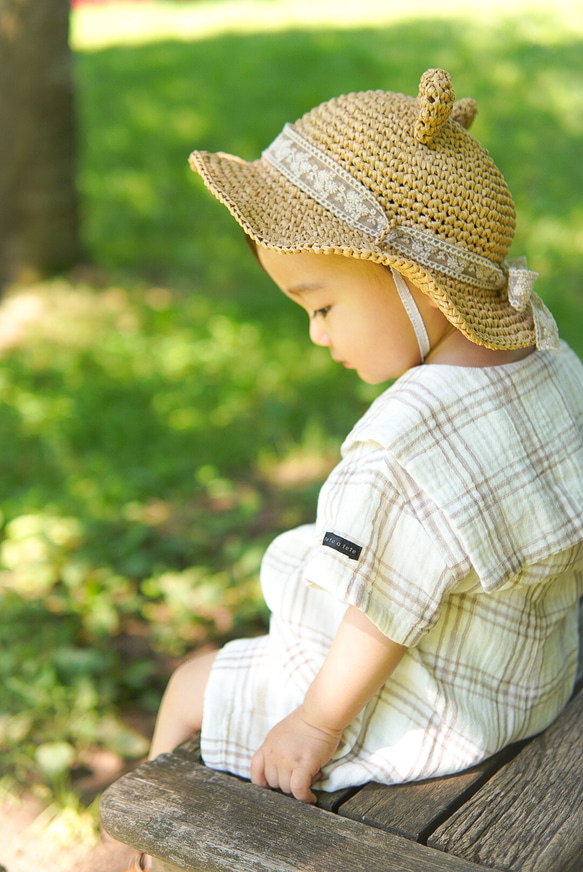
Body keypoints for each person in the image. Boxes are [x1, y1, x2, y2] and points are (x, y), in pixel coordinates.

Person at [124, 68, 583, 871]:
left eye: (321, 305)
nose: (315, 334)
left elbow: (381, 614)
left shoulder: (403, 446)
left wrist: (311, 725)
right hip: (525, 678)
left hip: (430, 715)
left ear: (415, 281)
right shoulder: (542, 349)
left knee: (191, 687)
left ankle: (157, 855)